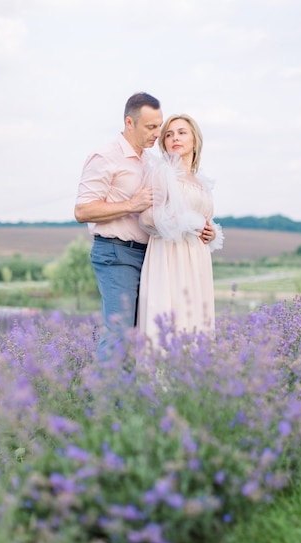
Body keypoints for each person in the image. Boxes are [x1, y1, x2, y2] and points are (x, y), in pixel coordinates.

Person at [74, 92, 163, 358]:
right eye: (150, 127)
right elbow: (82, 210)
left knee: (140, 338)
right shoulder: (105, 156)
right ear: (129, 122)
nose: (157, 133)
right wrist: (131, 205)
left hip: (149, 256)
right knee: (119, 338)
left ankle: (127, 400)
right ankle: (101, 401)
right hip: (116, 253)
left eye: (159, 125)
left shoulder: (150, 161)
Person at [137, 113, 223, 345]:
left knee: (196, 318)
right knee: (170, 314)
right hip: (169, 255)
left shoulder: (201, 182)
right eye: (169, 134)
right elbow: (145, 216)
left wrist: (211, 232)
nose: (175, 138)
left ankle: (193, 376)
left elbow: (204, 217)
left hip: (197, 258)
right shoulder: (161, 173)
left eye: (182, 132)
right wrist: (181, 222)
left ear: (194, 140)